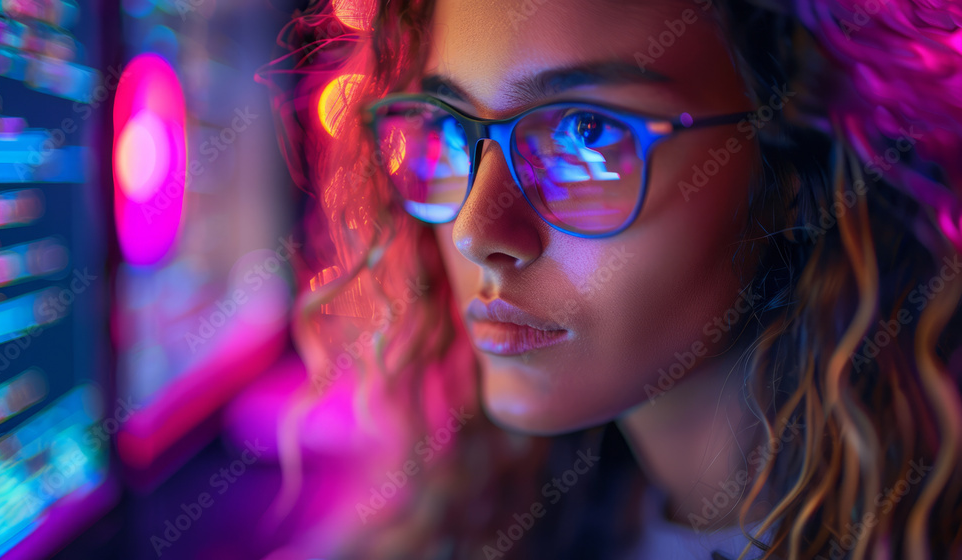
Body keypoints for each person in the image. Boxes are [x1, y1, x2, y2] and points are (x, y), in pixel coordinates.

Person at [257, 0, 962, 557]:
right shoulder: (497, 506)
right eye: (447, 129)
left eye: (584, 135)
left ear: (794, 164)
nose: (477, 231)